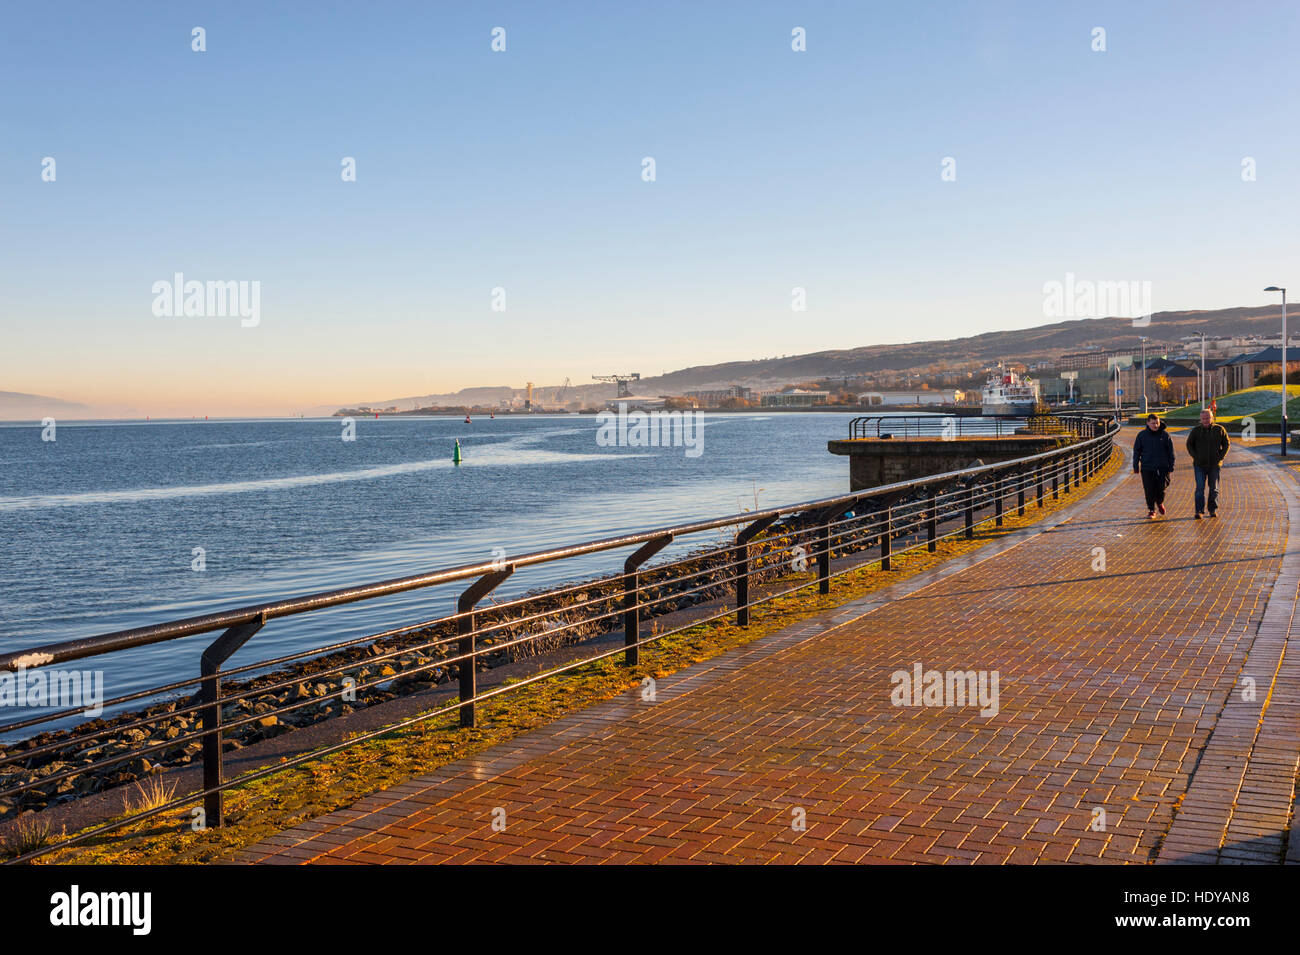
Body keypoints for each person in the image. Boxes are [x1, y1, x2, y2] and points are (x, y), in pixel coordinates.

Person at [1185, 408, 1230, 519]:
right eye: (1203, 418)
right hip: (1199, 465)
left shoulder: (1219, 429)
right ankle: (1199, 511)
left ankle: (1212, 509)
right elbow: (1189, 444)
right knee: (1200, 488)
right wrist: (1196, 457)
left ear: (1212, 418)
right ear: (1200, 419)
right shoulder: (1196, 431)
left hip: (1214, 465)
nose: (1205, 420)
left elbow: (1227, 444)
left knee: (1214, 488)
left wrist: (1220, 457)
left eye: (1208, 418)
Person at [1132, 414, 1174, 518]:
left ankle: (1160, 502)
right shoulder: (1142, 435)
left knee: (1161, 488)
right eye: (1153, 423)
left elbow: (1171, 452)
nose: (1155, 425)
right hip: (1147, 467)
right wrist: (1135, 466)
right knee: (1149, 489)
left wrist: (1171, 465)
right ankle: (1151, 510)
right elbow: (1136, 451)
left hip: (1163, 467)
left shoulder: (1165, 435)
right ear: (1148, 423)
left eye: (1157, 423)